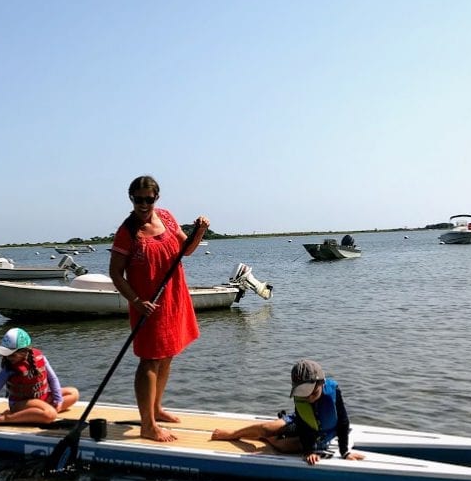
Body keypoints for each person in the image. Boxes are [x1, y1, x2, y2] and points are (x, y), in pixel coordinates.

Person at [109, 175, 209, 442]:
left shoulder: (166, 217)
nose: (143, 204)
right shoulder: (127, 231)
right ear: (131, 199)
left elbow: (185, 250)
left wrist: (199, 232)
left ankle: (156, 408)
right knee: (150, 360)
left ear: (157, 198)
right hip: (147, 305)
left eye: (148, 199)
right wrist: (137, 302)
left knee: (167, 355)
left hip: (173, 297)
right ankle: (148, 425)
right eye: (138, 199)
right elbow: (116, 274)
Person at [210, 359, 365, 465]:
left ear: (321, 383)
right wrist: (309, 450)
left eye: (313, 393)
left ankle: (267, 439)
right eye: (305, 394)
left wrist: (344, 452)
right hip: (303, 424)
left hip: (324, 433)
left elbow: (343, 423)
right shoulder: (301, 397)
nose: (309, 398)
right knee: (267, 428)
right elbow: (304, 425)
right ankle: (232, 434)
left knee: (283, 446)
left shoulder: (333, 392)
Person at [0, 327, 79, 425]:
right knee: (51, 415)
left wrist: (58, 399)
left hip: (41, 398)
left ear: (24, 351)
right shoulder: (9, 368)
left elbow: (52, 379)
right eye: (6, 355)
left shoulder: (39, 357)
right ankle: (8, 418)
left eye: (12, 355)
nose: (8, 358)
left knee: (73, 393)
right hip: (20, 404)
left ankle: (38, 412)